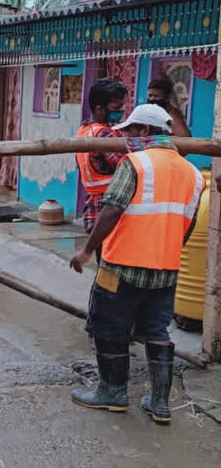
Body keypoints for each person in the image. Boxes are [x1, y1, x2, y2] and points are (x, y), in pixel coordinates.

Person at [69, 104, 204, 425]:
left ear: (145, 132)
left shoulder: (136, 163)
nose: (126, 137)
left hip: (121, 265)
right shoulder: (193, 174)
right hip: (165, 268)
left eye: (130, 130)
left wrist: (88, 250)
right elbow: (189, 222)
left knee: (108, 327)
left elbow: (112, 209)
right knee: (157, 331)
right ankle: (159, 404)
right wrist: (168, 252)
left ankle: (112, 393)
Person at [75, 78, 127, 260]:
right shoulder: (104, 134)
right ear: (99, 108)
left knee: (102, 257)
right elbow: (125, 164)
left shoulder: (84, 129)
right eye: (115, 107)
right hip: (109, 201)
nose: (120, 111)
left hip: (92, 199)